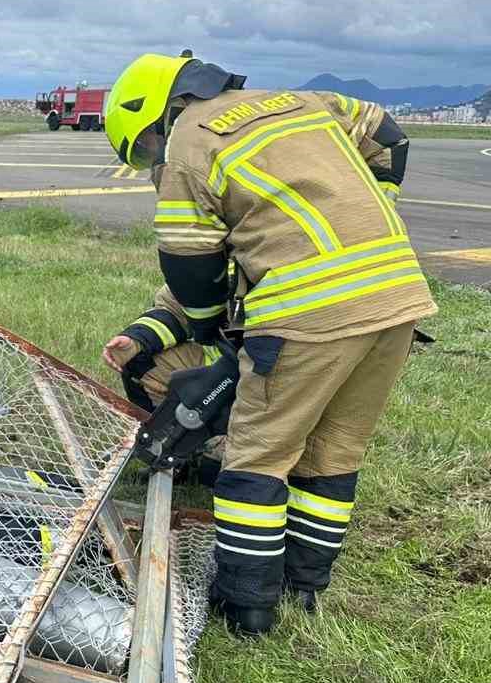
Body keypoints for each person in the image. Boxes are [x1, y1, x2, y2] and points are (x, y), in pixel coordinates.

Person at [103, 52, 433, 635]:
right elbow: (389, 134)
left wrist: (208, 330)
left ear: (160, 112)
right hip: (397, 298)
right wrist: (380, 204)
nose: (156, 166)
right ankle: (304, 588)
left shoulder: (191, 139)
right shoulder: (307, 104)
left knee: (256, 460)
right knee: (334, 452)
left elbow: (188, 266)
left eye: (147, 151)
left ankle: (246, 609)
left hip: (308, 313)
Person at [101, 286, 229, 485]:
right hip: (224, 368)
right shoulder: (218, 261)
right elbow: (175, 309)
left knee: (219, 475)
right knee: (140, 361)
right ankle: (172, 448)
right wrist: (136, 340)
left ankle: (227, 448)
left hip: (276, 385)